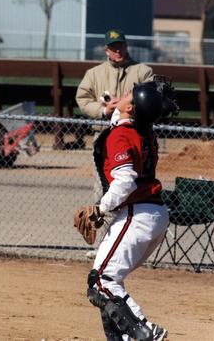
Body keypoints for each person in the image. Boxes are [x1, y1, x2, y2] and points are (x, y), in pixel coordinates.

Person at [85, 81, 178, 341]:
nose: (124, 94)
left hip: (137, 215)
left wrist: (100, 207)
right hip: (150, 214)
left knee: (101, 283)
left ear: (131, 107)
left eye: (128, 95)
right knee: (110, 282)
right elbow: (125, 117)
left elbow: (125, 181)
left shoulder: (122, 135)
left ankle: (145, 331)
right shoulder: (142, 129)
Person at [76, 28, 155, 203]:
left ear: (126, 47)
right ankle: (104, 223)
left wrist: (127, 107)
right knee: (103, 183)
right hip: (104, 135)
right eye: (114, 48)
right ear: (107, 51)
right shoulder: (94, 74)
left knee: (137, 182)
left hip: (136, 136)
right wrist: (104, 110)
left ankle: (133, 222)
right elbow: (82, 99)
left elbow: (152, 101)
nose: (118, 51)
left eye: (120, 46)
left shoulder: (143, 72)